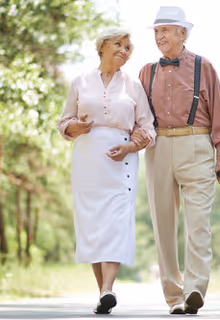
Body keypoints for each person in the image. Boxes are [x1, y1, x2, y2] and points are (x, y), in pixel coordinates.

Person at [130, 5, 220, 315]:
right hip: (158, 147)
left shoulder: (205, 67)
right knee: (163, 224)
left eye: (165, 30)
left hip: (197, 144)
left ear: (182, 33)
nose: (160, 36)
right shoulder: (145, 72)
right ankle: (174, 296)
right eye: (156, 31)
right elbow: (138, 117)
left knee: (199, 224)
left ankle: (194, 290)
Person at [57, 27, 156, 315]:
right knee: (92, 223)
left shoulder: (133, 86)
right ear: (102, 46)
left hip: (121, 159)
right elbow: (64, 123)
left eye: (128, 47)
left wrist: (129, 147)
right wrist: (76, 127)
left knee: (115, 221)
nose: (124, 50)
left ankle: (108, 289)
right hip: (87, 159)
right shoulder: (80, 81)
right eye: (119, 44)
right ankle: (104, 294)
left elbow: (148, 127)